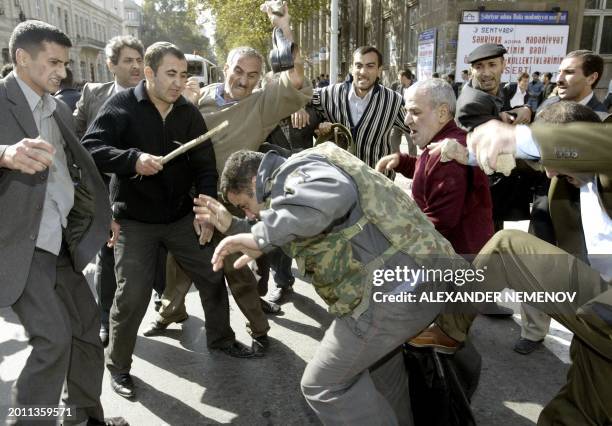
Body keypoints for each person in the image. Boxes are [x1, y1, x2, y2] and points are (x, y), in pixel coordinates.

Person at [193, 143, 466, 425]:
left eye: (244, 206)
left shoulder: (294, 172)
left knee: (322, 386)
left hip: (395, 295)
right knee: (381, 375)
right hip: (418, 282)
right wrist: (240, 229)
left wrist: (261, 235)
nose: (249, 215)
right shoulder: (297, 181)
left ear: (255, 181)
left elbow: (334, 193)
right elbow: (299, 226)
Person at [82, 42, 255, 400]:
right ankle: (119, 367)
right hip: (135, 221)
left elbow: (205, 165)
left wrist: (206, 210)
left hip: (180, 217)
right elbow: (90, 147)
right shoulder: (122, 106)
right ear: (149, 73)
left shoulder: (187, 113)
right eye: (170, 74)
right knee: (131, 296)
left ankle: (221, 338)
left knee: (211, 273)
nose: (178, 83)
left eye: (183, 75)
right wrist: (132, 160)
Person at [421, 109, 612, 426]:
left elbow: (599, 145)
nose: (550, 174)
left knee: (506, 247)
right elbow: (528, 162)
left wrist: (523, 136)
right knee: (576, 411)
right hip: (599, 311)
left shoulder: (601, 160)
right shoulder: (567, 176)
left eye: (553, 159)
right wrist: (466, 155)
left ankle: (445, 333)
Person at [146, 1, 312, 343]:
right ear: (225, 68)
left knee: (236, 265)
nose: (245, 80)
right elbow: (165, 137)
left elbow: (295, 77)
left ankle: (259, 329)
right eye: (239, 71)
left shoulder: (263, 102)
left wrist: (283, 28)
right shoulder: (197, 98)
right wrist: (185, 106)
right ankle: (169, 313)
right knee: (180, 265)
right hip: (195, 196)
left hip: (235, 198)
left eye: (253, 74)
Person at [0, 20, 125, 425]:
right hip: (19, 245)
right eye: (53, 62)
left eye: (65, 64)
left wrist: (103, 216)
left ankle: (85, 419)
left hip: (60, 244)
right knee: (52, 341)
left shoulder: (57, 108)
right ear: (22, 57)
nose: (62, 72)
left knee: (87, 333)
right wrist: (3, 153)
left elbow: (79, 171)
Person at [517, 50, 607, 355]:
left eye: (569, 72)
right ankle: (533, 329)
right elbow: (533, 154)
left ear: (592, 77)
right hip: (546, 202)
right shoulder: (549, 105)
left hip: (585, 214)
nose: (559, 78)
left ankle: (587, 336)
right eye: (559, 71)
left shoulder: (605, 115)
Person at [73, 34, 145, 347]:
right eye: (128, 60)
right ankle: (106, 321)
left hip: (142, 190)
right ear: (111, 65)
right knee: (108, 254)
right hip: (103, 189)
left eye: (139, 60)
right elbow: (75, 137)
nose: (136, 66)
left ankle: (167, 300)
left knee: (149, 257)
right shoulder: (91, 93)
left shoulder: (152, 95)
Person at [376, 78, 493, 255]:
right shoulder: (445, 142)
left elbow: (437, 224)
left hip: (456, 265)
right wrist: (404, 162)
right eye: (406, 111)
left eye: (415, 112)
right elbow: (428, 168)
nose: (407, 120)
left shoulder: (448, 156)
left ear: (442, 113)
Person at [304, 46, 410, 178]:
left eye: (370, 66)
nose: (363, 72)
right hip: (340, 182)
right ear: (351, 68)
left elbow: (417, 125)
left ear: (379, 70)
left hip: (377, 183)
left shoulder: (393, 101)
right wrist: (299, 107)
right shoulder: (330, 94)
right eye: (358, 66)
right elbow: (302, 95)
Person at [389, 69, 416, 155]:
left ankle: (412, 162)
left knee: (411, 143)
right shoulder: (398, 87)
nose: (399, 81)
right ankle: (397, 160)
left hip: (409, 120)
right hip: (397, 119)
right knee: (392, 140)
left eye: (401, 79)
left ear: (406, 78)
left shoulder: (416, 88)